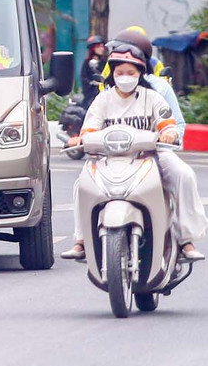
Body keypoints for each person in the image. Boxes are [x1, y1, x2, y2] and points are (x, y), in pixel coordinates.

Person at [63, 42, 207, 262]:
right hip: (109, 158)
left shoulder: (153, 97)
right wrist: (79, 138)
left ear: (141, 73)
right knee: (82, 182)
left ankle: (186, 240)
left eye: (131, 72)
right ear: (113, 73)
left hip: (151, 155)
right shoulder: (103, 99)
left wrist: (168, 133)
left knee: (183, 174)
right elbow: (90, 128)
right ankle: (82, 241)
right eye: (120, 72)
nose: (125, 76)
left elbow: (167, 123)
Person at [81, 35, 106, 106]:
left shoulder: (105, 63)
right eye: (99, 46)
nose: (102, 49)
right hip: (91, 95)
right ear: (93, 48)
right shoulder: (87, 63)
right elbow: (84, 78)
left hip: (104, 93)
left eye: (102, 46)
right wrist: (92, 83)